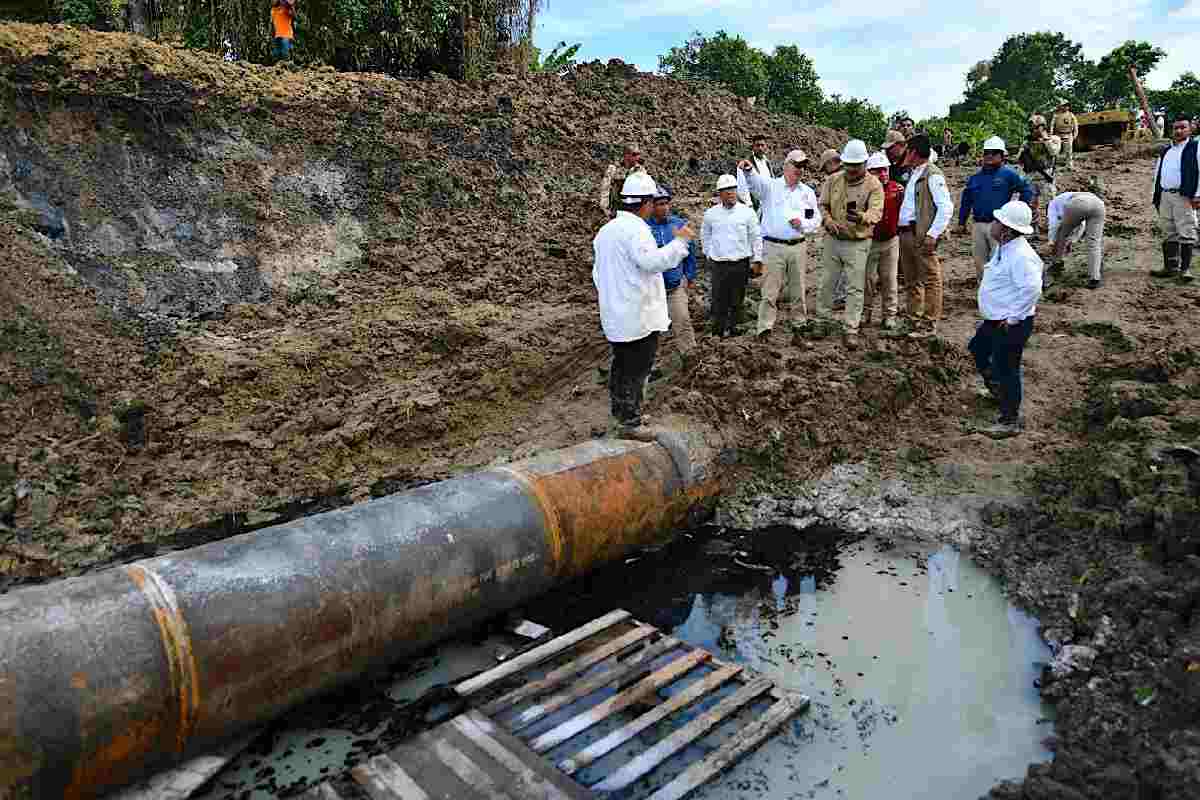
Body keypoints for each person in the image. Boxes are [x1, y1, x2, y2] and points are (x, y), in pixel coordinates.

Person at [592, 172, 695, 437]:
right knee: (637, 368)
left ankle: (623, 414)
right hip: (637, 315)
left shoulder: (607, 231)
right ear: (645, 203)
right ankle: (630, 423)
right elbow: (653, 262)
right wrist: (680, 242)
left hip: (617, 314)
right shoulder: (636, 230)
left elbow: (597, 274)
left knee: (622, 366)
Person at [969, 200, 1043, 439]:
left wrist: (1013, 318)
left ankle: (1010, 419)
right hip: (997, 319)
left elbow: (1032, 289)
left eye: (997, 222)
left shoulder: (1022, 256)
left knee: (1007, 367)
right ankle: (999, 392)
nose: (992, 224)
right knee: (978, 349)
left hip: (1010, 323)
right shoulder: (1005, 247)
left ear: (1008, 229)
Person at [738, 150, 821, 339]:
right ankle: (765, 328)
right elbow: (755, 183)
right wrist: (749, 170)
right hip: (773, 246)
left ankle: (799, 324)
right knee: (770, 290)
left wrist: (804, 225)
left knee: (798, 289)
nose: (800, 170)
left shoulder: (807, 192)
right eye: (797, 165)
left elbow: (815, 219)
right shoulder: (770, 186)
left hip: (798, 245)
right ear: (786, 166)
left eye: (803, 166)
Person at [816, 140, 883, 349]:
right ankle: (823, 321)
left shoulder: (874, 185)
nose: (852, 169)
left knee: (855, 288)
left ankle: (851, 328)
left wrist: (862, 217)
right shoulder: (833, 180)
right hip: (833, 241)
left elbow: (876, 213)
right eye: (849, 165)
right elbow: (822, 205)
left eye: (857, 165)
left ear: (865, 163)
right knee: (827, 282)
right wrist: (827, 221)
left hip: (857, 242)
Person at [897, 133, 954, 338]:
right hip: (907, 234)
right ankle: (914, 321)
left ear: (913, 152)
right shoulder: (916, 173)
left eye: (907, 151)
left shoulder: (932, 174)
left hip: (919, 235)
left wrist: (932, 234)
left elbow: (946, 207)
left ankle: (929, 324)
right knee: (911, 280)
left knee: (930, 279)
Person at [958, 136, 1035, 282]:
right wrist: (961, 222)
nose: (989, 156)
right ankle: (984, 293)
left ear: (1002, 155)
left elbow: (1026, 190)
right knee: (980, 263)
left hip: (999, 225)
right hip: (978, 224)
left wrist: (1017, 212)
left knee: (998, 261)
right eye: (986, 152)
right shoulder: (975, 178)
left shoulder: (1008, 174)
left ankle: (999, 293)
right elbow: (966, 200)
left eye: (994, 153)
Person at [703, 174, 763, 338]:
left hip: (740, 263)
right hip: (719, 264)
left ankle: (736, 331)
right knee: (718, 300)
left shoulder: (747, 213)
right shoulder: (711, 214)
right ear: (719, 193)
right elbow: (705, 237)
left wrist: (758, 259)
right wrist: (709, 255)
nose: (730, 193)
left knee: (738, 299)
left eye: (732, 189)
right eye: (725, 190)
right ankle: (718, 332)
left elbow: (755, 236)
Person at [648, 185, 699, 362]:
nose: (664, 207)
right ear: (651, 206)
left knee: (683, 321)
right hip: (651, 290)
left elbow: (691, 252)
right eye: (659, 204)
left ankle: (690, 358)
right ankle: (650, 365)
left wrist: (689, 276)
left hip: (675, 286)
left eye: (666, 203)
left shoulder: (678, 224)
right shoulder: (644, 228)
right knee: (651, 329)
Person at [1151, 118, 1200, 281]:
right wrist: (1156, 194)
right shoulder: (1167, 150)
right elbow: (1158, 173)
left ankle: (1185, 270)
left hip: (1184, 196)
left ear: (1190, 129)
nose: (1179, 131)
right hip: (1165, 195)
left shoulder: (1195, 147)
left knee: (1186, 231)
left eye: (1182, 127)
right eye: (1176, 128)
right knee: (1168, 231)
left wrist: (1198, 194)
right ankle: (1170, 267)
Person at [863, 151, 903, 332]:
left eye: (885, 170)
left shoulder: (897, 189)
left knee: (890, 279)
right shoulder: (863, 191)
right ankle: (865, 313)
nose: (883, 174)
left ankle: (889, 316)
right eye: (878, 171)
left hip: (891, 240)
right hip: (869, 241)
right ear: (870, 172)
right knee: (867, 280)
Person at [1046, 190, 1106, 289]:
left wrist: (1051, 241)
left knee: (1062, 235)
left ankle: (1057, 262)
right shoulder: (1064, 199)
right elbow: (1081, 224)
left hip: (1078, 204)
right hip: (1098, 204)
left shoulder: (1052, 205)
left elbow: (1054, 225)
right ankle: (1095, 278)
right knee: (1094, 242)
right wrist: (1073, 240)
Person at [1015, 115, 1061, 232]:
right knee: (1030, 205)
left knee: (1050, 205)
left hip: (1046, 177)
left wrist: (1045, 139)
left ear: (1043, 127)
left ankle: (1052, 227)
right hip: (1031, 177)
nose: (1034, 131)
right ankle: (1032, 227)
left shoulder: (1054, 139)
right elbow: (1018, 158)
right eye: (1032, 129)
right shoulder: (1027, 142)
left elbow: (1053, 152)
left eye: (1036, 128)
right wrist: (1025, 149)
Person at [599, 143, 647, 215]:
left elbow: (644, 190)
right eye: (634, 154)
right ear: (626, 155)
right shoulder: (613, 168)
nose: (637, 157)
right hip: (617, 206)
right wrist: (605, 206)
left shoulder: (640, 170)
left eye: (638, 154)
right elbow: (605, 187)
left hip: (634, 207)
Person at [737, 134, 775, 217]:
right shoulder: (745, 164)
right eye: (757, 145)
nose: (760, 148)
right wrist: (749, 205)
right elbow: (742, 187)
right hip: (754, 205)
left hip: (767, 204)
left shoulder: (767, 163)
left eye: (762, 145)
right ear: (753, 147)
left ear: (766, 147)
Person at [1052, 100, 1078, 171]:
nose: (1066, 107)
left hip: (1068, 134)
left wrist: (1075, 133)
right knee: (1055, 150)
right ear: (1061, 106)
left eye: (1067, 105)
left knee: (1069, 151)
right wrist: (1051, 134)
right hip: (1058, 135)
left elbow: (1075, 124)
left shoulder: (1071, 115)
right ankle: (1054, 165)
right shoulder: (1056, 115)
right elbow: (1052, 125)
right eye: (1064, 105)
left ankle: (1069, 165)